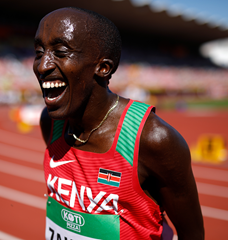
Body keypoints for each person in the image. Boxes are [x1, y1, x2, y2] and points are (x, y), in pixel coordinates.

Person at [34, 7, 204, 240]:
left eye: (61, 52)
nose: (42, 66)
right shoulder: (51, 123)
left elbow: (192, 235)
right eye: (38, 52)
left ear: (103, 67)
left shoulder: (153, 139)